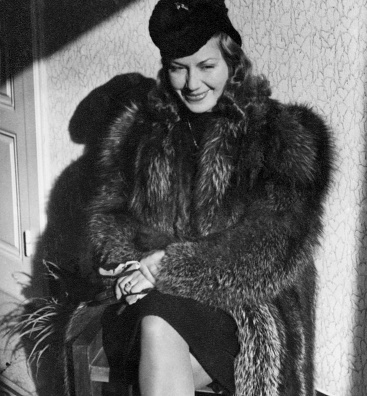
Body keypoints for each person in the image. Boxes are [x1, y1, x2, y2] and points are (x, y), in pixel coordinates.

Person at [87, 0, 334, 395]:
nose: (192, 83)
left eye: (206, 66)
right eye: (177, 67)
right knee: (157, 320)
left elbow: (273, 245)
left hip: (248, 305)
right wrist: (133, 267)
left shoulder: (282, 133)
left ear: (233, 62)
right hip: (157, 300)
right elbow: (111, 222)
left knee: (159, 326)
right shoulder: (140, 132)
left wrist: (170, 267)